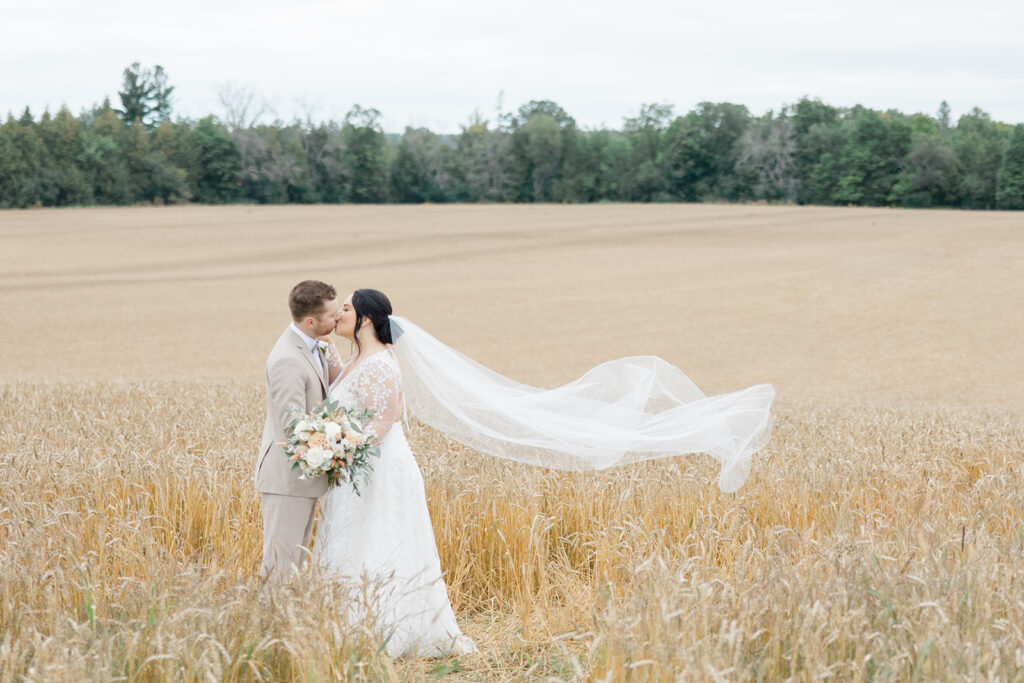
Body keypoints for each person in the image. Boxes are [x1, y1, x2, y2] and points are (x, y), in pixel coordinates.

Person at [315, 289, 477, 657]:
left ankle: (386, 629)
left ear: (366, 319)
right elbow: (349, 394)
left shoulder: (379, 364)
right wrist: (325, 352)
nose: (337, 314)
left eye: (345, 308)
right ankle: (347, 625)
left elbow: (383, 419)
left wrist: (339, 450)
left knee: (379, 536)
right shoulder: (359, 359)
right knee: (354, 537)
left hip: (378, 468)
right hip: (359, 466)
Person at [255, 280, 340, 585]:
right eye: (332, 315)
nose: (338, 318)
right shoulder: (287, 359)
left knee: (294, 563)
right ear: (310, 321)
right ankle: (269, 625)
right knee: (281, 564)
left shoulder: (314, 345)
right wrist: (337, 443)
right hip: (287, 478)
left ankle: (285, 626)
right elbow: (294, 425)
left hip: (302, 479)